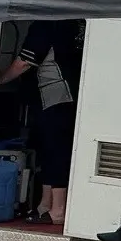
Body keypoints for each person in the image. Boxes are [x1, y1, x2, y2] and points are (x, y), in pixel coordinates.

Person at [20, 23, 82, 225]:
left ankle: (58, 210)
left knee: (55, 151)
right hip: (67, 94)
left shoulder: (44, 25)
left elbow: (25, 62)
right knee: (49, 149)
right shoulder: (76, 23)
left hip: (54, 94)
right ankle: (45, 204)